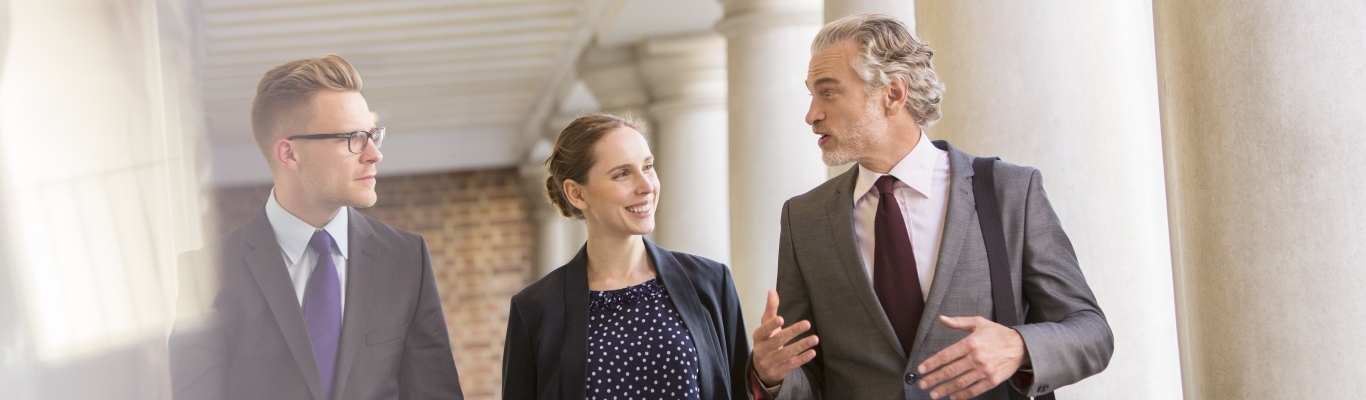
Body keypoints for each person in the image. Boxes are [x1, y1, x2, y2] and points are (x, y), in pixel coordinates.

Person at [747, 14, 1113, 400]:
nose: (812, 114)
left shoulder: (1009, 191)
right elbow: (806, 374)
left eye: (829, 92)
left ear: (892, 94)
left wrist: (1019, 346)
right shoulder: (804, 219)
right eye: (811, 94)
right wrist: (771, 376)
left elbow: (1092, 332)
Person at [169, 55, 464, 400]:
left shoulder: (404, 259)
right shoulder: (206, 273)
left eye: (372, 135)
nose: (373, 154)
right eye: (351, 138)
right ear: (289, 154)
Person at [502, 113, 750, 400]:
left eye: (648, 167)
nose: (646, 186)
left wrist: (766, 376)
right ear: (576, 194)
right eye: (622, 173)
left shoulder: (710, 282)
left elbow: (741, 390)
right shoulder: (534, 309)